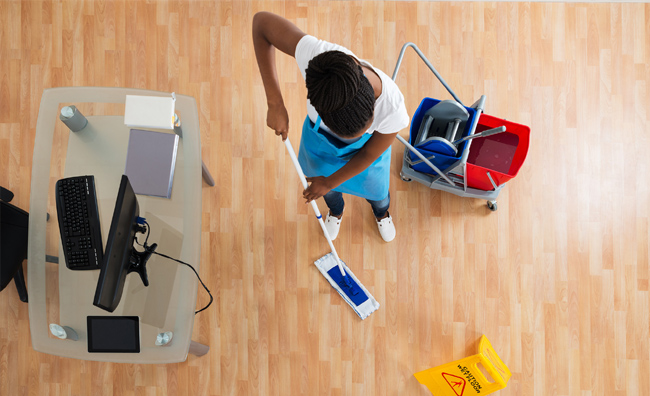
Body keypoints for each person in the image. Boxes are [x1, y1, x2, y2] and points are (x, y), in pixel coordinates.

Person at [252, 12, 409, 242]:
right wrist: (274, 102)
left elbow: (368, 154)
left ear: (372, 108)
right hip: (319, 144)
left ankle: (381, 213)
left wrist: (330, 181)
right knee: (325, 191)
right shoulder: (320, 62)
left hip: (367, 154)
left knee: (378, 194)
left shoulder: (392, 109)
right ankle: (336, 211)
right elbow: (261, 23)